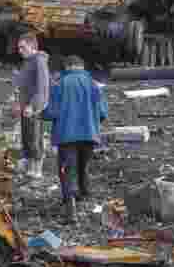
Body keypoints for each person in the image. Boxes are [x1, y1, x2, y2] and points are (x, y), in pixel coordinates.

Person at [42, 54, 108, 222]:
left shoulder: (60, 84)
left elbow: (51, 112)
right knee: (83, 166)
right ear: (82, 67)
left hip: (67, 135)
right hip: (89, 134)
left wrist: (41, 113)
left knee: (67, 170)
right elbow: (102, 113)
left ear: (67, 67)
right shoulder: (94, 84)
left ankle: (71, 210)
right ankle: (85, 197)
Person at [12, 32, 50, 178]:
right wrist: (18, 104)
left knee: (35, 136)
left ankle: (37, 168)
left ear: (33, 46)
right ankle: (30, 165)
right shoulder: (27, 62)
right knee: (27, 136)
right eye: (19, 48)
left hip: (34, 108)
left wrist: (33, 106)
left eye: (23, 47)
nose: (20, 51)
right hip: (25, 106)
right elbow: (23, 86)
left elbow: (42, 86)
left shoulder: (39, 61)